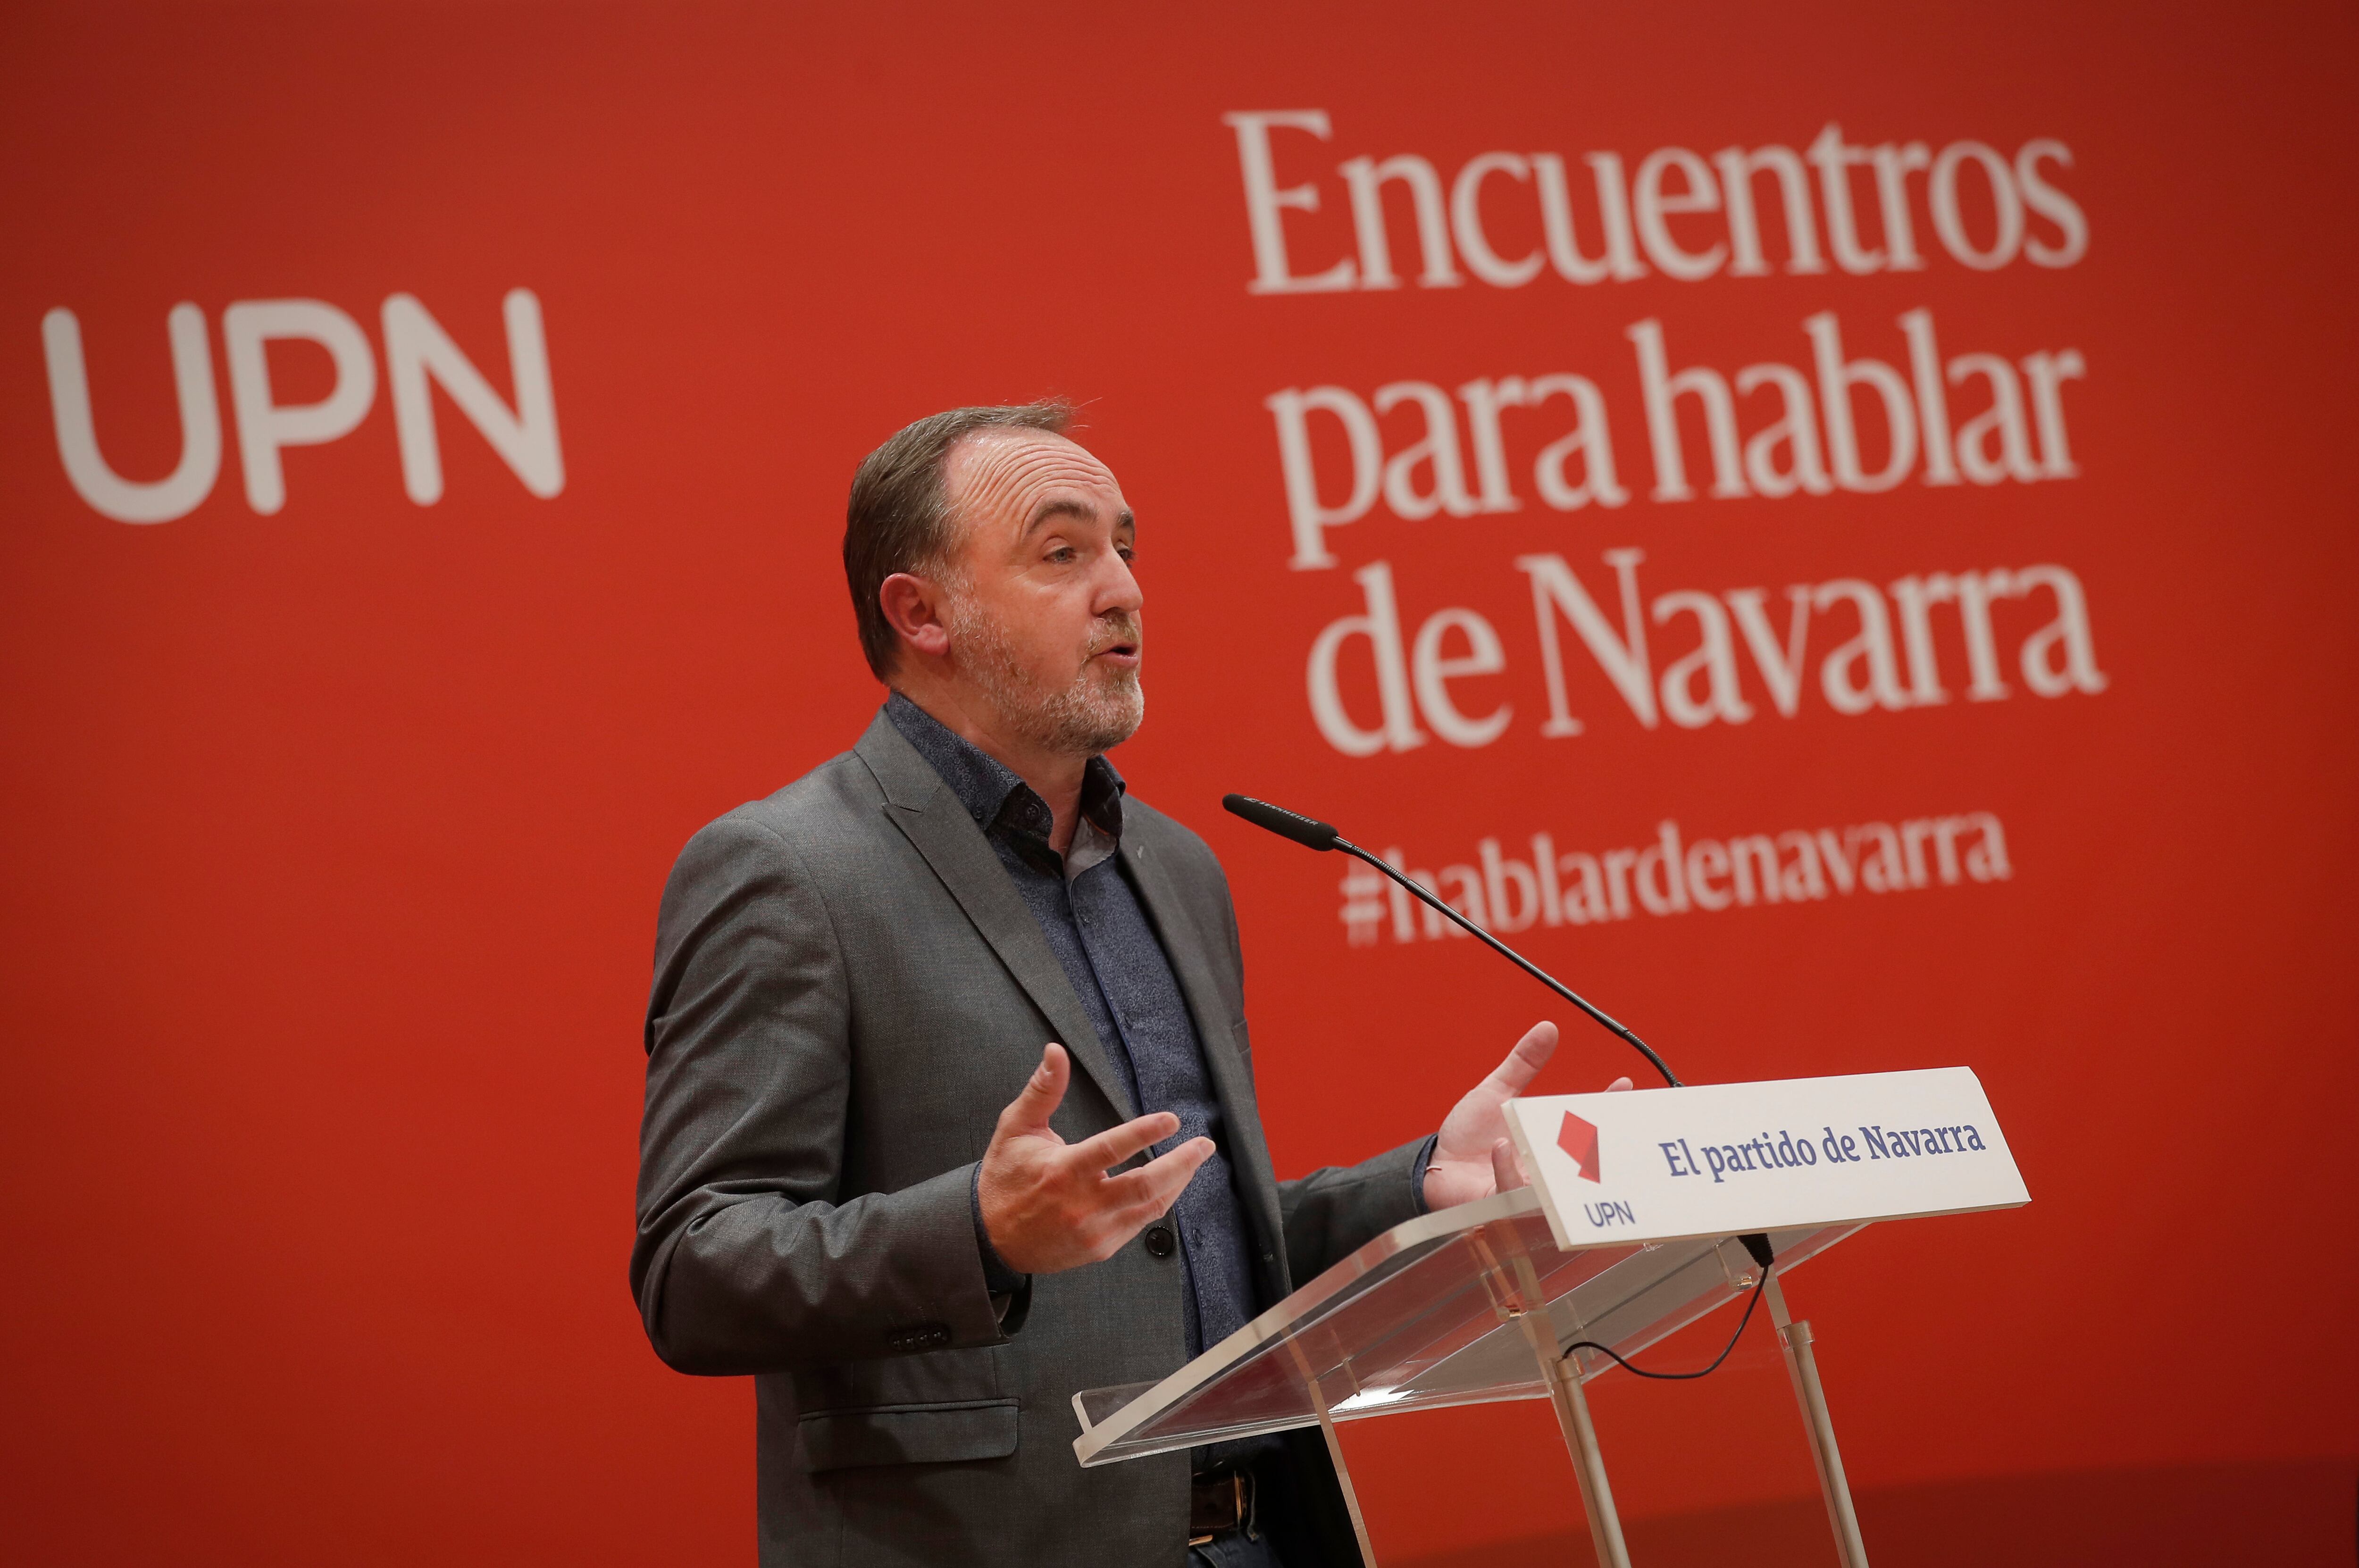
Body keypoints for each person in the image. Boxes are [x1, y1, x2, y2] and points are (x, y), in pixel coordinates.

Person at [631, 401, 1625, 1567]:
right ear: (921, 612)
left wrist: (1416, 1190)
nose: (1123, 590)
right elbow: (695, 1268)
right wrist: (978, 1233)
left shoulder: (1173, 866)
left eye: (1125, 548)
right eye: (1063, 554)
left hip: (1259, 1537)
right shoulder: (793, 870)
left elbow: (1181, 1238)